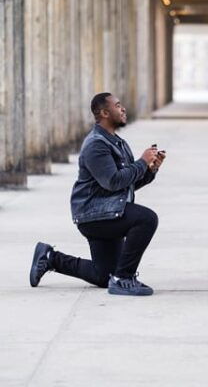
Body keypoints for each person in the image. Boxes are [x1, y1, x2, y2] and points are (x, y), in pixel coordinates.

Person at [29, 93, 164, 296]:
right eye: (118, 106)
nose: (123, 109)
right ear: (104, 113)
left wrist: (150, 170)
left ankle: (50, 257)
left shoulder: (118, 143)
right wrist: (142, 162)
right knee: (147, 219)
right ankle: (124, 278)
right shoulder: (96, 144)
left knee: (104, 275)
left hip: (108, 211)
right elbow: (112, 181)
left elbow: (125, 185)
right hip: (94, 214)